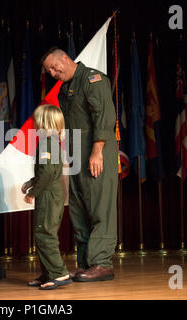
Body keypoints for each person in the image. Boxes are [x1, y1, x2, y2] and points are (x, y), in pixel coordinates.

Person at [41, 47, 118, 282]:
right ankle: (86, 263)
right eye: (49, 71)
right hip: (75, 157)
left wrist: (97, 152)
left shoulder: (93, 80)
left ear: (65, 58)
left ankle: (102, 263)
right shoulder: (65, 88)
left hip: (96, 154)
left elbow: (104, 118)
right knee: (78, 210)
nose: (53, 73)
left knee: (99, 208)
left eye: (55, 67)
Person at [22, 104, 72, 290]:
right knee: (43, 233)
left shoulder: (46, 143)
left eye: (36, 121)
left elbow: (48, 172)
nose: (34, 124)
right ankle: (48, 274)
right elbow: (47, 170)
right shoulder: (50, 142)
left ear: (44, 123)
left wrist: (32, 193)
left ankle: (59, 273)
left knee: (45, 234)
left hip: (49, 195)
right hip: (51, 192)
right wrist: (31, 182)